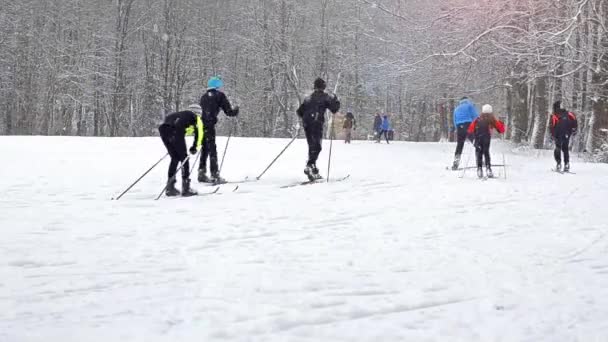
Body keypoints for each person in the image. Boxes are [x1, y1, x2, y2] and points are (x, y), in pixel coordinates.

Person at [296, 77, 341, 181]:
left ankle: (313, 168)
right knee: (317, 146)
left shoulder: (308, 98)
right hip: (316, 123)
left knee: (312, 146)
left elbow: (299, 112)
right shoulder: (326, 97)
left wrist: (307, 117)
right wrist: (336, 100)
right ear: (323, 87)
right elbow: (334, 109)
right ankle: (310, 165)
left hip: (307, 123)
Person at [197, 76, 239, 184]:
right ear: (217, 85)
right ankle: (214, 174)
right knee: (212, 149)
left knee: (205, 148)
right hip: (210, 125)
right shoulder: (219, 96)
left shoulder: (204, 97)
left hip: (201, 125)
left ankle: (201, 172)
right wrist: (236, 111)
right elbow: (228, 112)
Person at [158, 104, 204, 196]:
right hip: (176, 131)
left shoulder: (179, 114)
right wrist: (195, 147)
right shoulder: (196, 117)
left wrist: (173, 143)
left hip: (163, 130)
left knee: (175, 158)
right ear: (198, 113)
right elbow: (200, 134)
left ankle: (170, 187)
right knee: (184, 159)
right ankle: (186, 188)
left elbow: (174, 124)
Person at [467, 104, 505, 178]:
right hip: (486, 137)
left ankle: (479, 169)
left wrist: (473, 139)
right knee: (486, 152)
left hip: (477, 137)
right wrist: (501, 123)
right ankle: (488, 169)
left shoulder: (477, 119)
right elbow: (501, 130)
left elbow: (469, 130)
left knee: (479, 152)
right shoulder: (492, 119)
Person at [452, 96, 479, 170]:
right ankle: (479, 160)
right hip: (468, 125)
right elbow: (475, 116)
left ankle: (456, 162)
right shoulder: (470, 105)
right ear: (467, 100)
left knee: (460, 144)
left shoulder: (456, 108)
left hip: (459, 126)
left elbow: (454, 120)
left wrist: (457, 129)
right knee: (476, 142)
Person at [550, 101, 578, 172]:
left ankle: (558, 164)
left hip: (558, 134)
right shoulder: (569, 114)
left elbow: (552, 126)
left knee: (558, 148)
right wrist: (573, 130)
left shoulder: (555, 115)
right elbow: (574, 121)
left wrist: (552, 135)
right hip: (567, 133)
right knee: (565, 149)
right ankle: (567, 164)